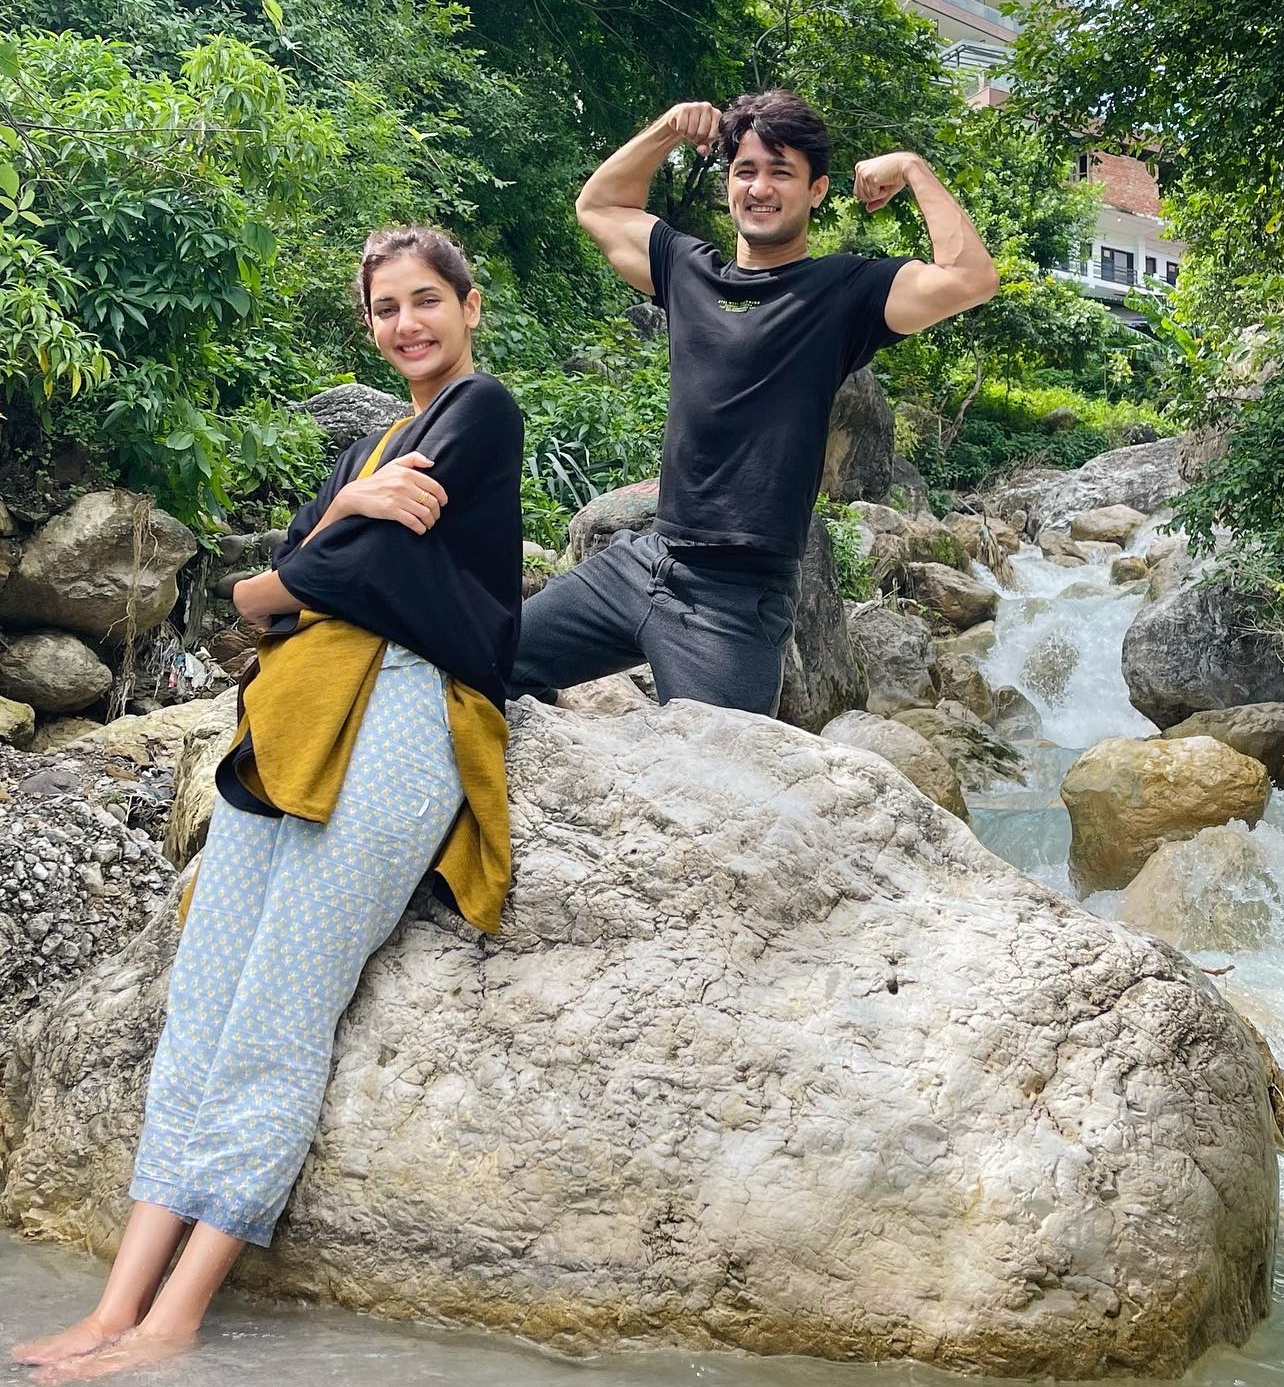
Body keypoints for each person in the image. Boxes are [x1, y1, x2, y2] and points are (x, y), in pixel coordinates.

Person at [12, 227, 523, 1379]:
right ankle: (114, 1307)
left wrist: (309, 562)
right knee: (202, 1009)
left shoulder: (482, 412)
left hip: (406, 712)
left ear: (469, 305)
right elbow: (268, 592)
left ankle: (175, 1321)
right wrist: (345, 521)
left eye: (426, 300)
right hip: (291, 715)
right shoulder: (371, 447)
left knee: (279, 1017)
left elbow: (323, 581)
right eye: (385, 308)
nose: (407, 324)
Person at [509, 89, 999, 716]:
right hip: (646, 561)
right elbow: (598, 206)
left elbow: (970, 278)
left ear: (817, 191)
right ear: (728, 184)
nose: (760, 187)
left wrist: (911, 167)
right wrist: (668, 127)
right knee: (482, 658)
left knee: (722, 769)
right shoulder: (685, 268)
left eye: (781, 172)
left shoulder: (843, 292)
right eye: (745, 170)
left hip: (735, 601)